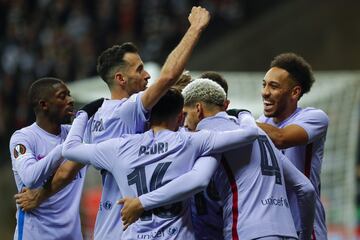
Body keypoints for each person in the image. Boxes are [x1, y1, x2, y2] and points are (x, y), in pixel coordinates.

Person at [15, 6, 211, 240]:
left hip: (107, 226)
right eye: (140, 70)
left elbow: (67, 170)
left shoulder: (98, 116)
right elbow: (167, 77)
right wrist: (196, 28)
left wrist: (40, 196)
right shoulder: (128, 110)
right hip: (131, 225)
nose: (147, 75)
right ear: (120, 79)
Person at [119, 79, 316, 240]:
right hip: (288, 232)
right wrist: (305, 236)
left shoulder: (209, 138)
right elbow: (305, 188)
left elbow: (197, 180)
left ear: (198, 109)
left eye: (185, 114)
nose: (183, 123)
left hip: (247, 231)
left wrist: (142, 202)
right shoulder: (259, 134)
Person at [62, 88, 259, 239]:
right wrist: (243, 113)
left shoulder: (119, 147)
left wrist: (84, 114)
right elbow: (250, 134)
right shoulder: (191, 141)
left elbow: (69, 148)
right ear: (180, 117)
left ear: (148, 116)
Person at [257, 53, 329, 239]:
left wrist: (240, 119)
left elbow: (281, 138)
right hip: (274, 226)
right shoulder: (261, 121)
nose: (265, 92)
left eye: (274, 86)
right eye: (264, 84)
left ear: (295, 92)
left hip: (305, 227)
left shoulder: (314, 117)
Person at [9, 77, 87, 240]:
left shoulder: (74, 133)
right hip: (36, 235)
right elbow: (30, 177)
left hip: (72, 236)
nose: (70, 100)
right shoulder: (23, 138)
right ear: (44, 105)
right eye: (62, 96)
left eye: (69, 95)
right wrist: (67, 147)